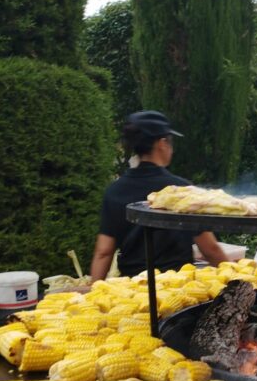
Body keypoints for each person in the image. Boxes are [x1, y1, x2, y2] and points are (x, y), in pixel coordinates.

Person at [90, 111, 227, 281]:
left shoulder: (115, 191)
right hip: (178, 287)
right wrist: (238, 281)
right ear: (162, 144)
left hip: (131, 289)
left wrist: (93, 293)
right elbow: (210, 249)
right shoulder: (182, 190)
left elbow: (103, 252)